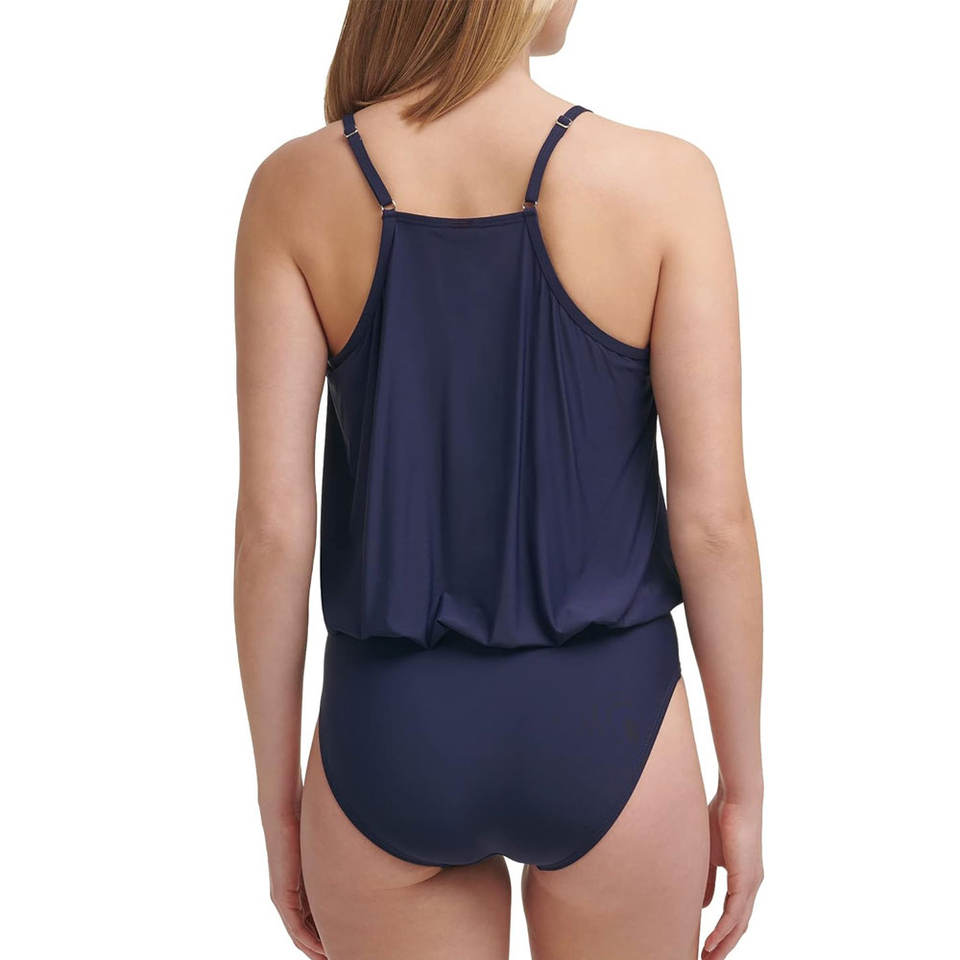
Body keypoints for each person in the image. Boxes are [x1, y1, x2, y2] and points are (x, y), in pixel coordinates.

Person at [234, 2, 763, 958]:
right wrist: (745, 789)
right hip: (610, 717)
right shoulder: (663, 178)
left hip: (388, 730)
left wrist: (279, 807)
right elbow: (713, 523)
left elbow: (275, 528)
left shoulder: (296, 184)